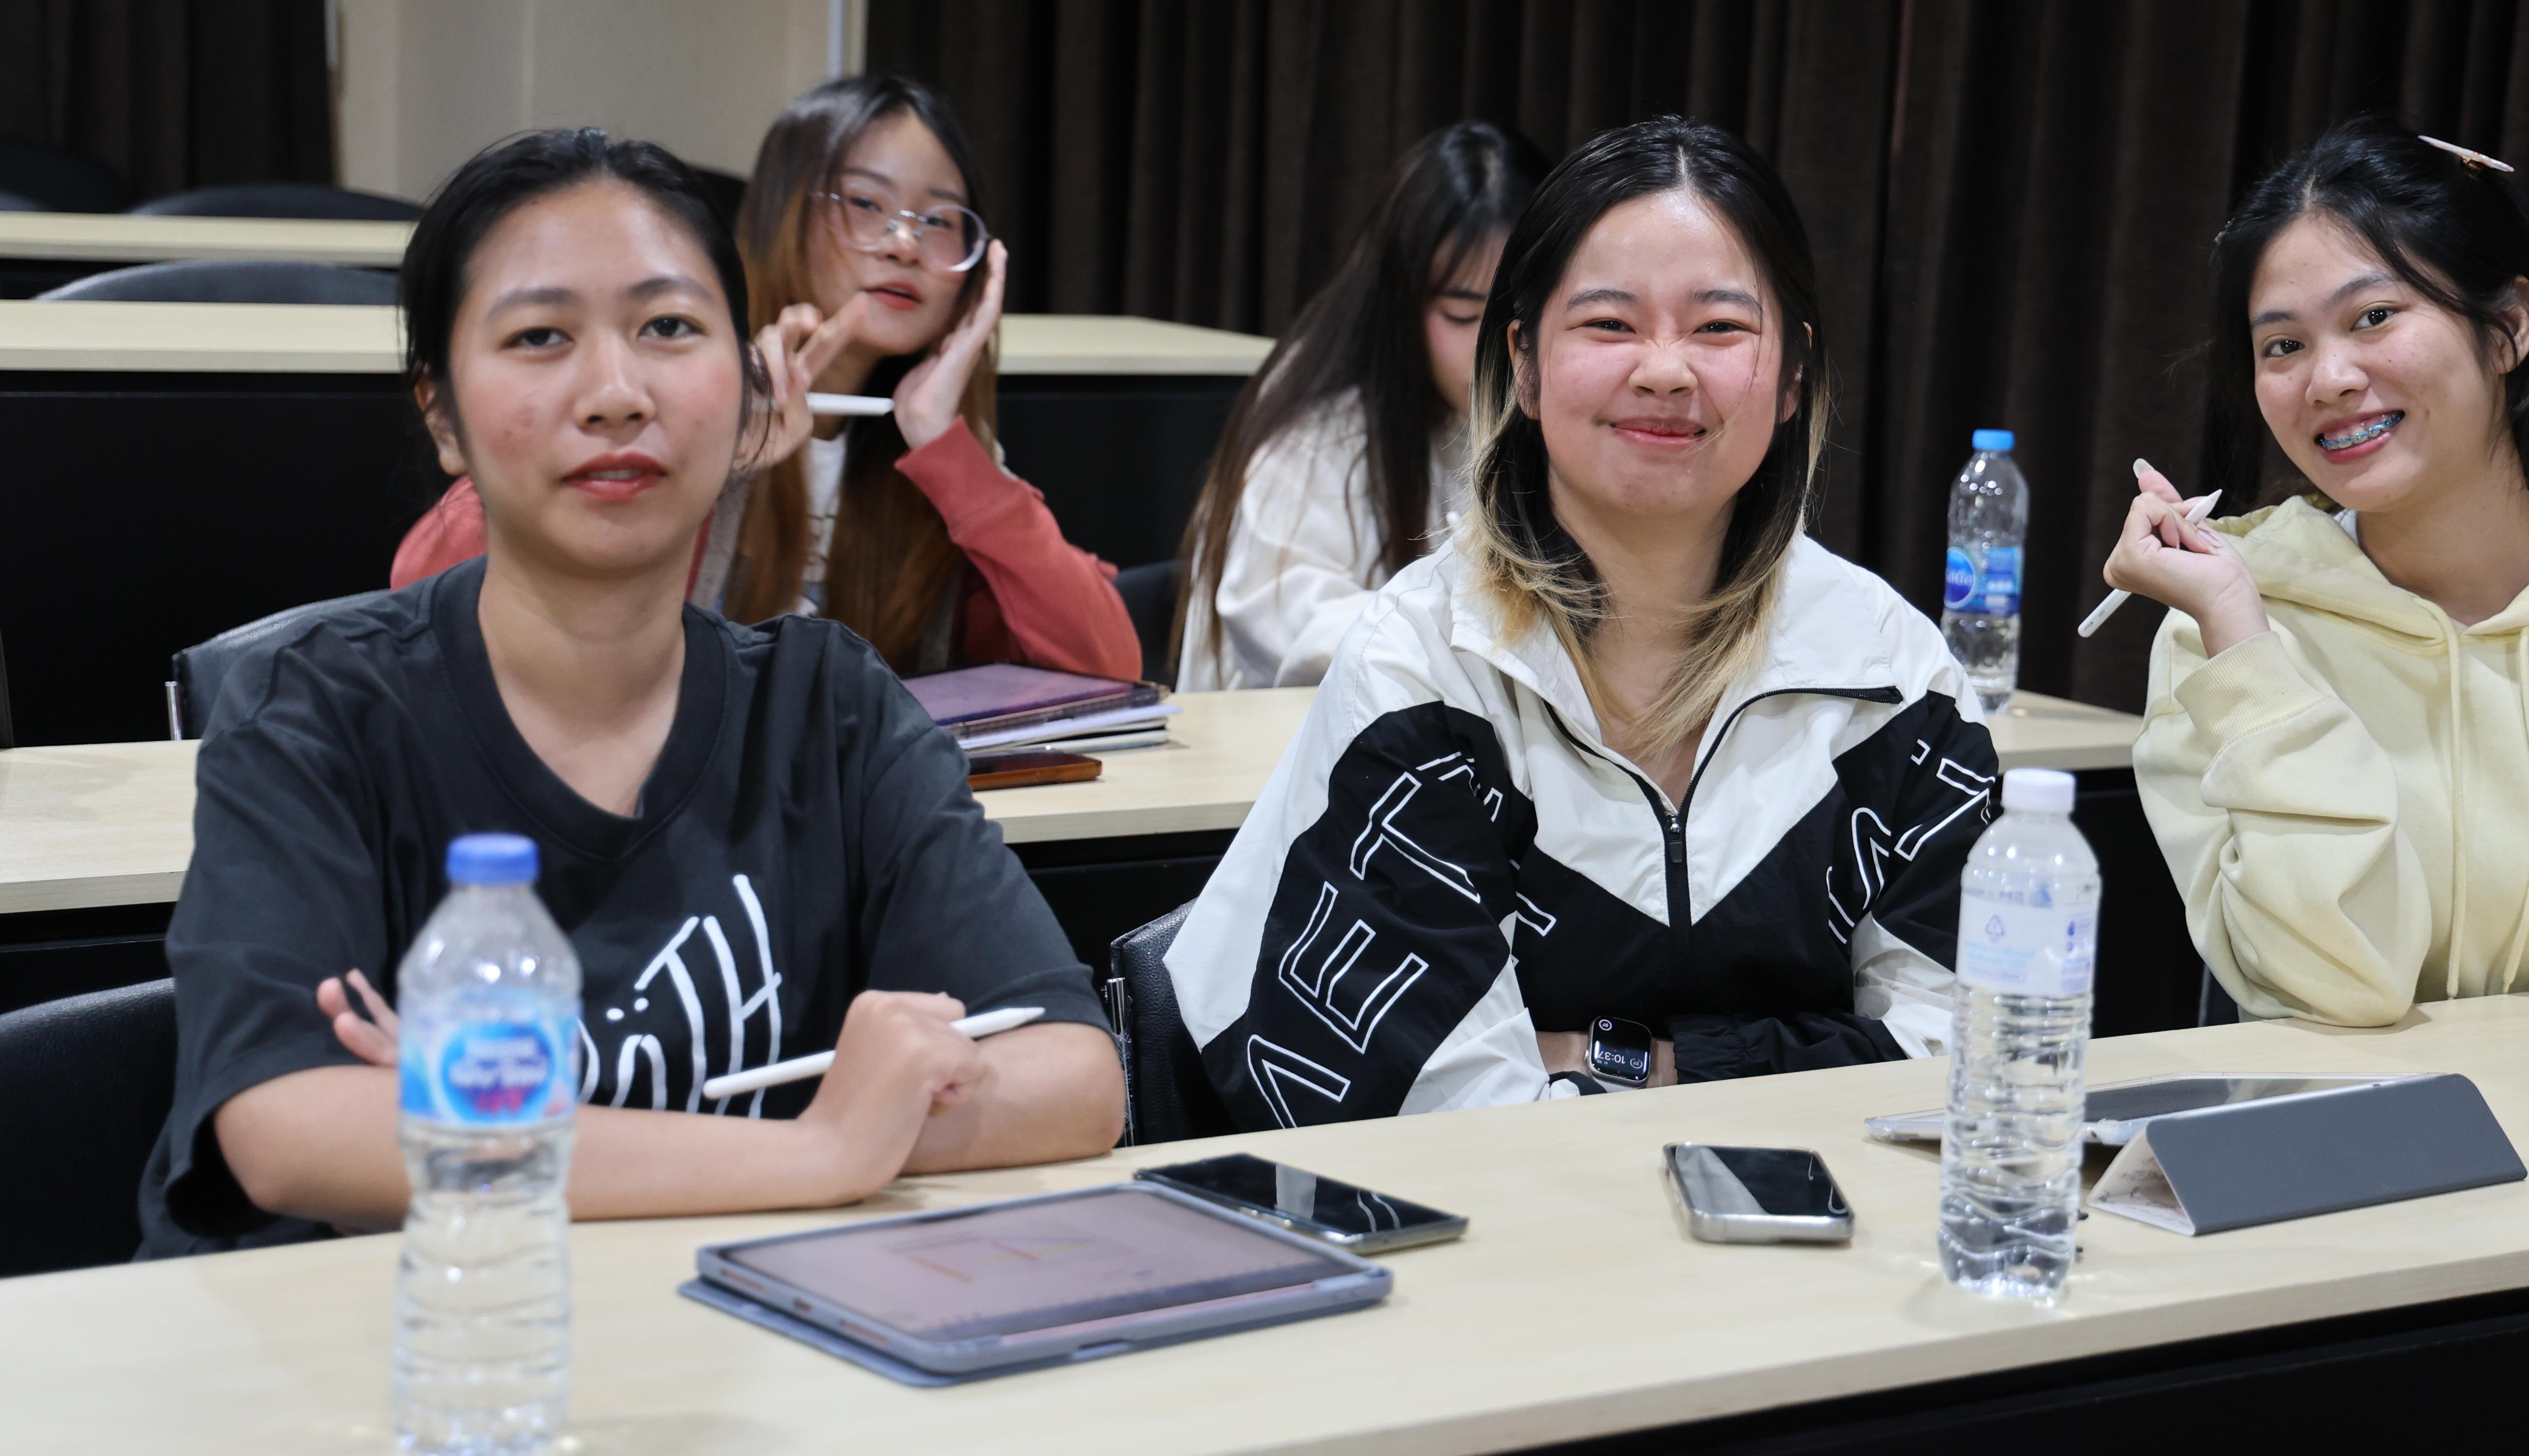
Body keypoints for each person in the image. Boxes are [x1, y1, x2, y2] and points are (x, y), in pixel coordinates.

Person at [143, 129, 1124, 1256]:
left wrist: (467, 1131)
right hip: (401, 1332)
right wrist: (819, 1146)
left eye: (669, 328)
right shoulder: (313, 708)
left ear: (749, 389)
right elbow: (292, 1130)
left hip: (730, 1332)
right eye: (540, 336)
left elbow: (1072, 1077)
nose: (615, 394)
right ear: (443, 415)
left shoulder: (831, 706)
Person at [1164, 117, 2000, 1124]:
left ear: (1792, 378)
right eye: (1609, 324)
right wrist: (1794, 1060)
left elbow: (1966, 1067)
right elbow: (1452, 1110)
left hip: (1825, 1219)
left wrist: (1636, 1062)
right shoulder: (1425, 668)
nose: (1665, 369)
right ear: (1522, 361)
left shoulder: (1895, 676)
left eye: (1720, 329)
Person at [2101, 114, 2529, 1029]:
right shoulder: (2218, 638)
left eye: (2375, 317)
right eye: (2283, 346)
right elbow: (2326, 990)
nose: (2329, 378)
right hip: (2345, 1110)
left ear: (2508, 326)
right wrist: (2246, 644)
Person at [393, 76, 1141, 681]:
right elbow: (428, 602)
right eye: (867, 205)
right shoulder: (674, 399)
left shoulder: (944, 456)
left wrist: (952, 453)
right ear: (784, 211)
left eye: (941, 221)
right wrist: (718, 452)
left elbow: (1106, 662)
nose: (904, 244)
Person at [1173, 121, 1549, 690]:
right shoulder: (1320, 423)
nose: (1495, 349)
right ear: (1401, 301)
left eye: (1522, 319)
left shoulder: (1538, 410)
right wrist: (1483, 622)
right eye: (1463, 315)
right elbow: (1293, 629)